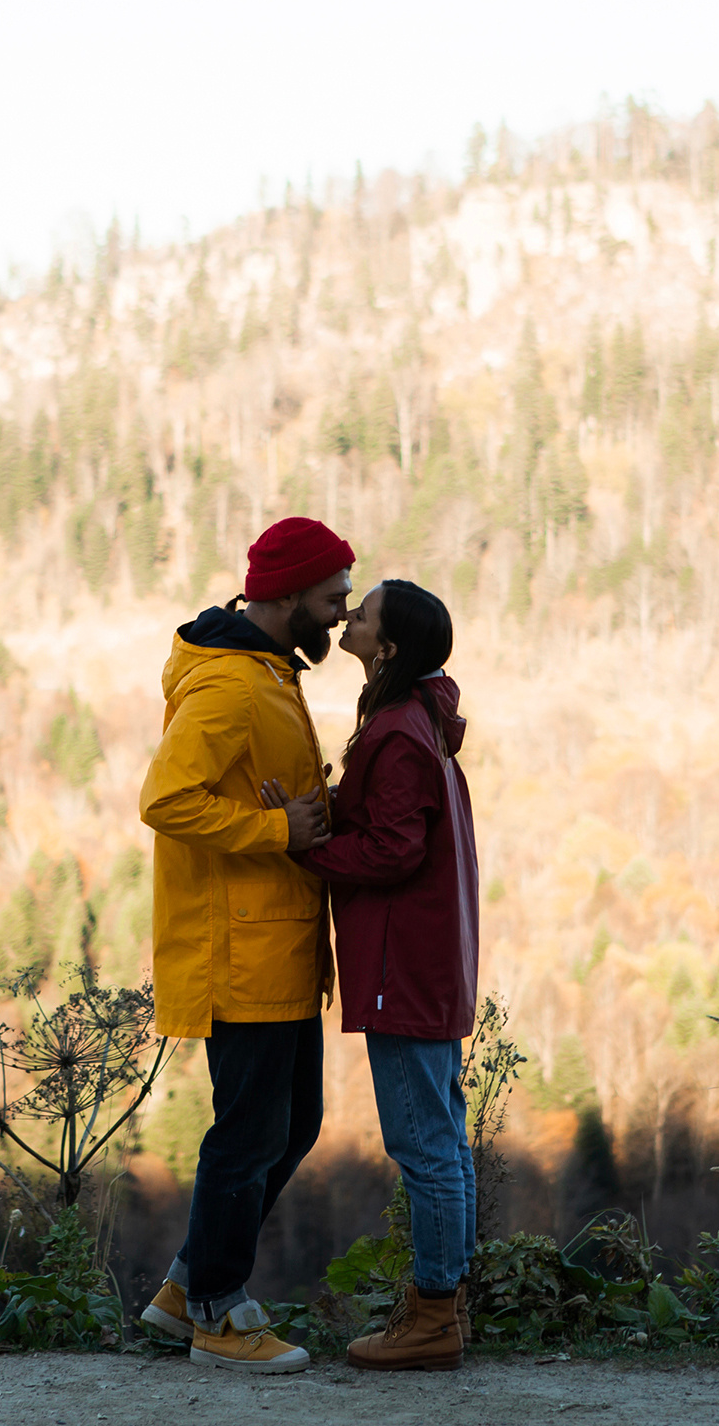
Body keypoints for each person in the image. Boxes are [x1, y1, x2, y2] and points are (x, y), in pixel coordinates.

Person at [134, 516, 355, 1374]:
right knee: (247, 1136)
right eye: (333, 598)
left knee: (292, 1125)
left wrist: (302, 814)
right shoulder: (229, 686)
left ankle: (185, 1291)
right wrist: (273, 827)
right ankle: (222, 1317)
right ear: (291, 593)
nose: (340, 614)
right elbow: (165, 800)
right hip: (241, 953)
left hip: (280, 948)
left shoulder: (267, 671)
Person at [272, 578, 480, 1372]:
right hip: (432, 956)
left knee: (423, 1144)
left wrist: (304, 847)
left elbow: (394, 851)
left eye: (364, 615)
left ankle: (432, 1318)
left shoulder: (395, 730)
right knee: (445, 1138)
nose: (348, 619)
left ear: (386, 649)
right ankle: (445, 1305)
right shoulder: (419, 714)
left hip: (402, 961)